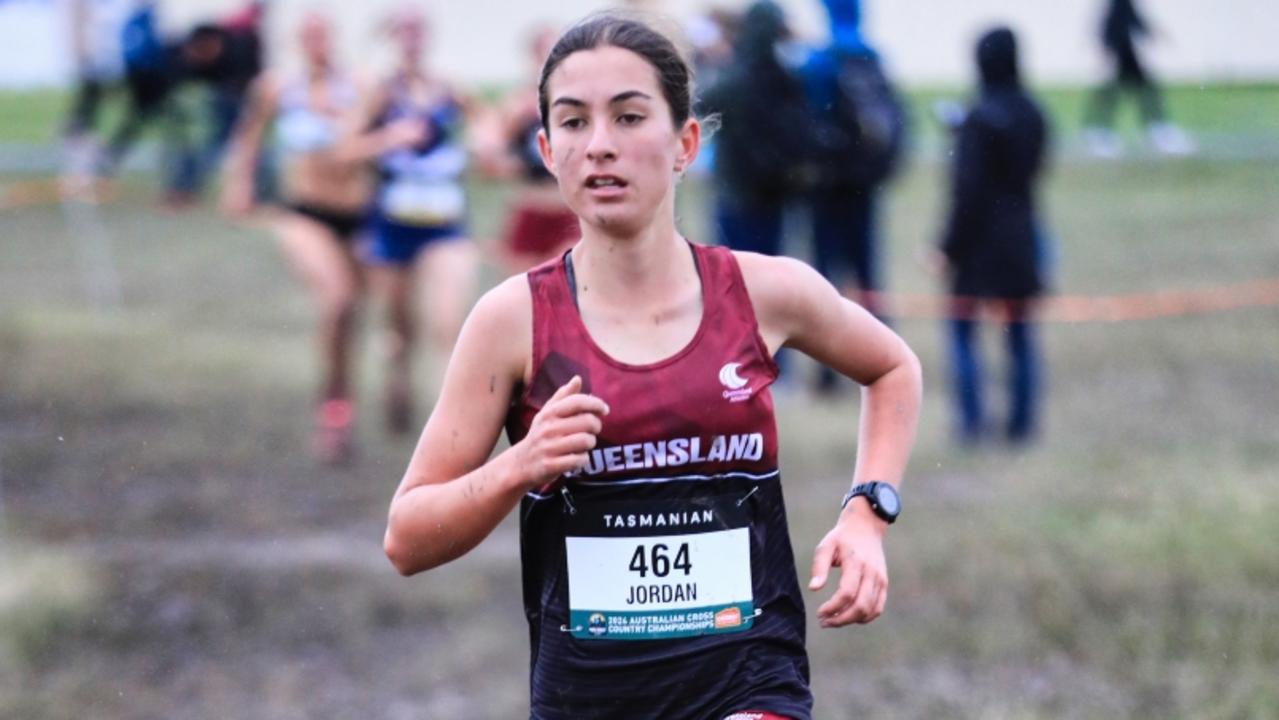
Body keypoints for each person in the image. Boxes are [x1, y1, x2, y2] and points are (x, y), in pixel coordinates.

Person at [383, 13, 921, 719]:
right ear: (546, 149)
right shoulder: (511, 321)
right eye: (573, 123)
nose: (600, 145)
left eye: (629, 117)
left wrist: (866, 514)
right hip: (586, 698)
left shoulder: (765, 292)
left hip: (751, 684)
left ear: (684, 143)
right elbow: (406, 539)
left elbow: (891, 368)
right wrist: (518, 466)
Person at [221, 12, 422, 463]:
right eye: (308, 37)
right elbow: (248, 134)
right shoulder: (278, 87)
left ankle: (397, 378)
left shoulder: (360, 85)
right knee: (337, 300)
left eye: (323, 35)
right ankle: (334, 413)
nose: (317, 44)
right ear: (297, 42)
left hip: (363, 214)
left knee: (386, 311)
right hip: (304, 212)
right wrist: (240, 183)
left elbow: (375, 124)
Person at [356, 8, 479, 432]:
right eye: (403, 30)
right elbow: (344, 148)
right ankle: (398, 383)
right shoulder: (381, 91)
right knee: (398, 327)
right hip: (393, 226)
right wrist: (387, 138)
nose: (411, 38)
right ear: (393, 37)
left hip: (446, 224)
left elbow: (487, 127)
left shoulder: (448, 88)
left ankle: (449, 426)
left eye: (417, 30)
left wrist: (485, 145)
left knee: (448, 322)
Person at [937, 27, 1049, 445]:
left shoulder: (977, 119)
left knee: (963, 332)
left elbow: (969, 193)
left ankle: (971, 422)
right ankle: (1021, 425)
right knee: (1020, 336)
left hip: (979, 245)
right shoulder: (1033, 113)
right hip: (1021, 236)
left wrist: (947, 247)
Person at [799, 0, 907, 395]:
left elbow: (808, 120)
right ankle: (884, 357)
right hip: (864, 184)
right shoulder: (874, 57)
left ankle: (829, 370)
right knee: (868, 272)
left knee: (826, 276)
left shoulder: (818, 60)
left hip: (827, 185)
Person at [476, 24, 580, 273]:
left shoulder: (578, 103)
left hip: (567, 209)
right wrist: (509, 163)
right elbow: (489, 162)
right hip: (531, 207)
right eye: (541, 53)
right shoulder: (516, 105)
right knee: (527, 291)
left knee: (571, 286)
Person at [1082, 0, 1194, 157]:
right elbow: (1117, 20)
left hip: (1123, 47)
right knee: (1135, 91)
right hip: (1122, 48)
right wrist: (1109, 44)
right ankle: (1155, 130)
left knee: (1120, 92)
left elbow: (1129, 17)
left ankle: (1099, 131)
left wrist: (1148, 31)